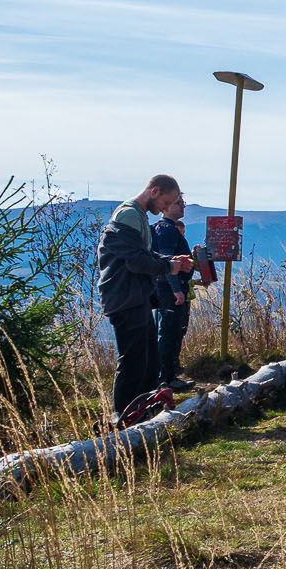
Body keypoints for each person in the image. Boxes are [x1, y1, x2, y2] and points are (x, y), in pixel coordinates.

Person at [98, 175, 195, 417]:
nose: (165, 208)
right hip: (124, 295)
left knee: (149, 359)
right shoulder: (129, 215)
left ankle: (143, 411)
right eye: (166, 202)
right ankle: (123, 417)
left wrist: (169, 261)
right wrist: (169, 267)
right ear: (155, 191)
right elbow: (135, 260)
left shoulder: (138, 216)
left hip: (136, 295)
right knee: (133, 360)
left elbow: (145, 255)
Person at [152, 195, 195, 392]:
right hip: (169, 290)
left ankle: (167, 376)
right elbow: (168, 262)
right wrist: (176, 289)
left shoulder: (167, 228)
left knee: (171, 332)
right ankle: (166, 379)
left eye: (183, 203)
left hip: (171, 288)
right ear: (167, 206)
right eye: (179, 203)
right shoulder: (167, 229)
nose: (183, 207)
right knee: (168, 333)